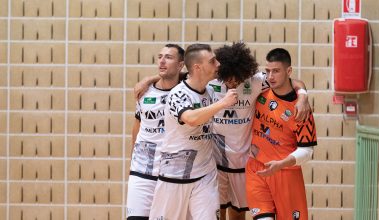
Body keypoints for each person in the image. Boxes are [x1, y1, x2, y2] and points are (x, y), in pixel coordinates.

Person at [210, 42, 311, 220]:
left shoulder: (255, 81)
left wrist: (303, 95)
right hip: (215, 162)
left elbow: (291, 81)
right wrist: (148, 80)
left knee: (238, 213)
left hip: (241, 162)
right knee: (216, 213)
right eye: (228, 78)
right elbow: (179, 76)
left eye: (237, 78)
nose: (232, 82)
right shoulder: (210, 81)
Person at [149, 44, 238, 220]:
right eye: (212, 61)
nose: (218, 64)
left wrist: (303, 93)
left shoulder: (211, 89)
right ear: (197, 67)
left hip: (205, 175)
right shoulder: (178, 94)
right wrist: (223, 104)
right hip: (174, 176)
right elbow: (190, 118)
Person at [246, 48, 317, 220]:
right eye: (268, 71)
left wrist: (281, 163)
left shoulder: (301, 110)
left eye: (276, 71)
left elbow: (307, 152)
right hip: (256, 169)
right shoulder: (260, 92)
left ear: (289, 71)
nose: (270, 76)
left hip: (286, 173)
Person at [126, 44, 185, 220]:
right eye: (160, 56)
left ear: (180, 64)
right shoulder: (144, 93)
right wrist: (132, 158)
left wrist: (148, 78)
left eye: (168, 57)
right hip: (142, 171)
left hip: (172, 173)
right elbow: (137, 126)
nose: (162, 60)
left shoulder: (187, 92)